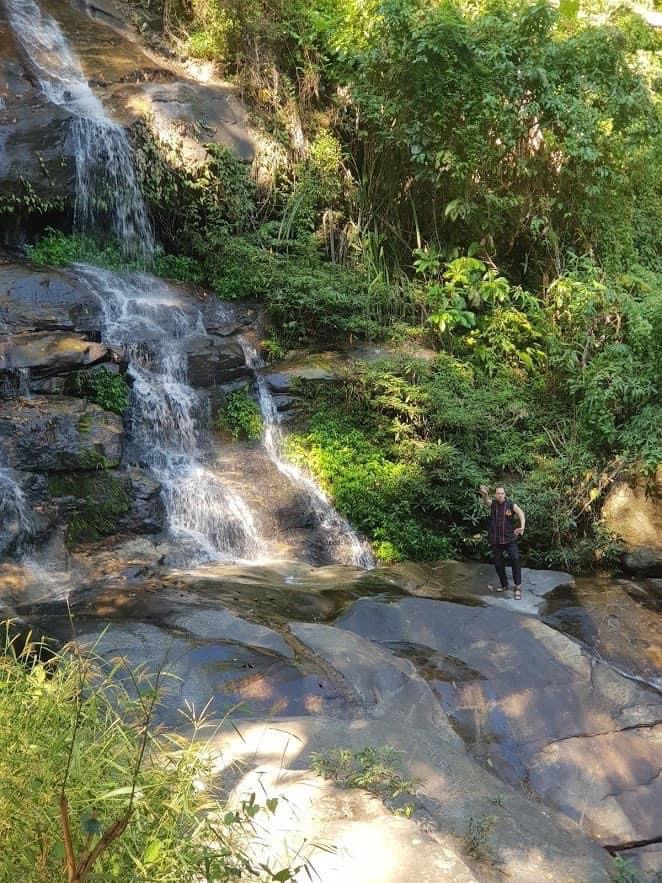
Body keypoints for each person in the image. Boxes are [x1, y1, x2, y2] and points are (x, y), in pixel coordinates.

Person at [478, 485, 526, 600]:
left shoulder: (510, 505)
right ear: (495, 494)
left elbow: (521, 514)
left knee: (515, 559)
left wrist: (522, 527)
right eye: (498, 493)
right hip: (496, 540)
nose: (500, 495)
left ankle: (518, 587)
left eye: (502, 493)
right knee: (498, 564)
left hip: (509, 539)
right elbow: (486, 501)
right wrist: (484, 495)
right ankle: (504, 585)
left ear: (505, 494)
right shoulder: (493, 504)